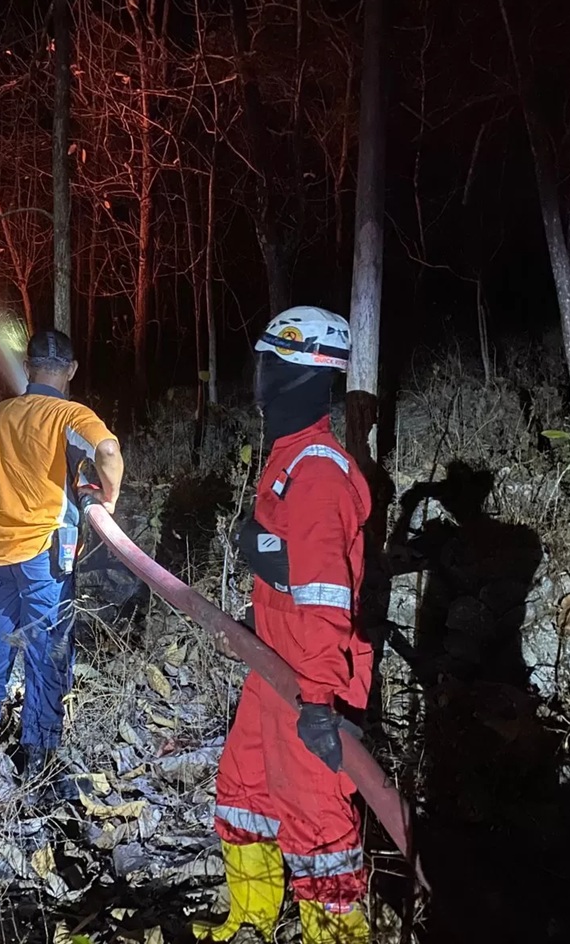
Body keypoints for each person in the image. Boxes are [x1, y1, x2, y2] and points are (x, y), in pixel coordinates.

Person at [197, 306, 373, 944]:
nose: (258, 376)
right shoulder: (292, 459)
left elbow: (328, 600)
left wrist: (322, 703)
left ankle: (338, 937)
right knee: (243, 788)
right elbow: (294, 572)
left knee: (317, 821)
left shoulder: (319, 474)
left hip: (308, 681)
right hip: (272, 664)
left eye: (268, 362)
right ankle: (250, 917)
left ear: (298, 374)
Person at [0, 329, 124, 807]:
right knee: (45, 657)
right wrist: (107, 497)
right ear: (71, 370)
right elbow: (107, 451)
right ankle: (39, 766)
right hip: (43, 556)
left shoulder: (2, 414)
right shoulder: (71, 414)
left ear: (28, 366)